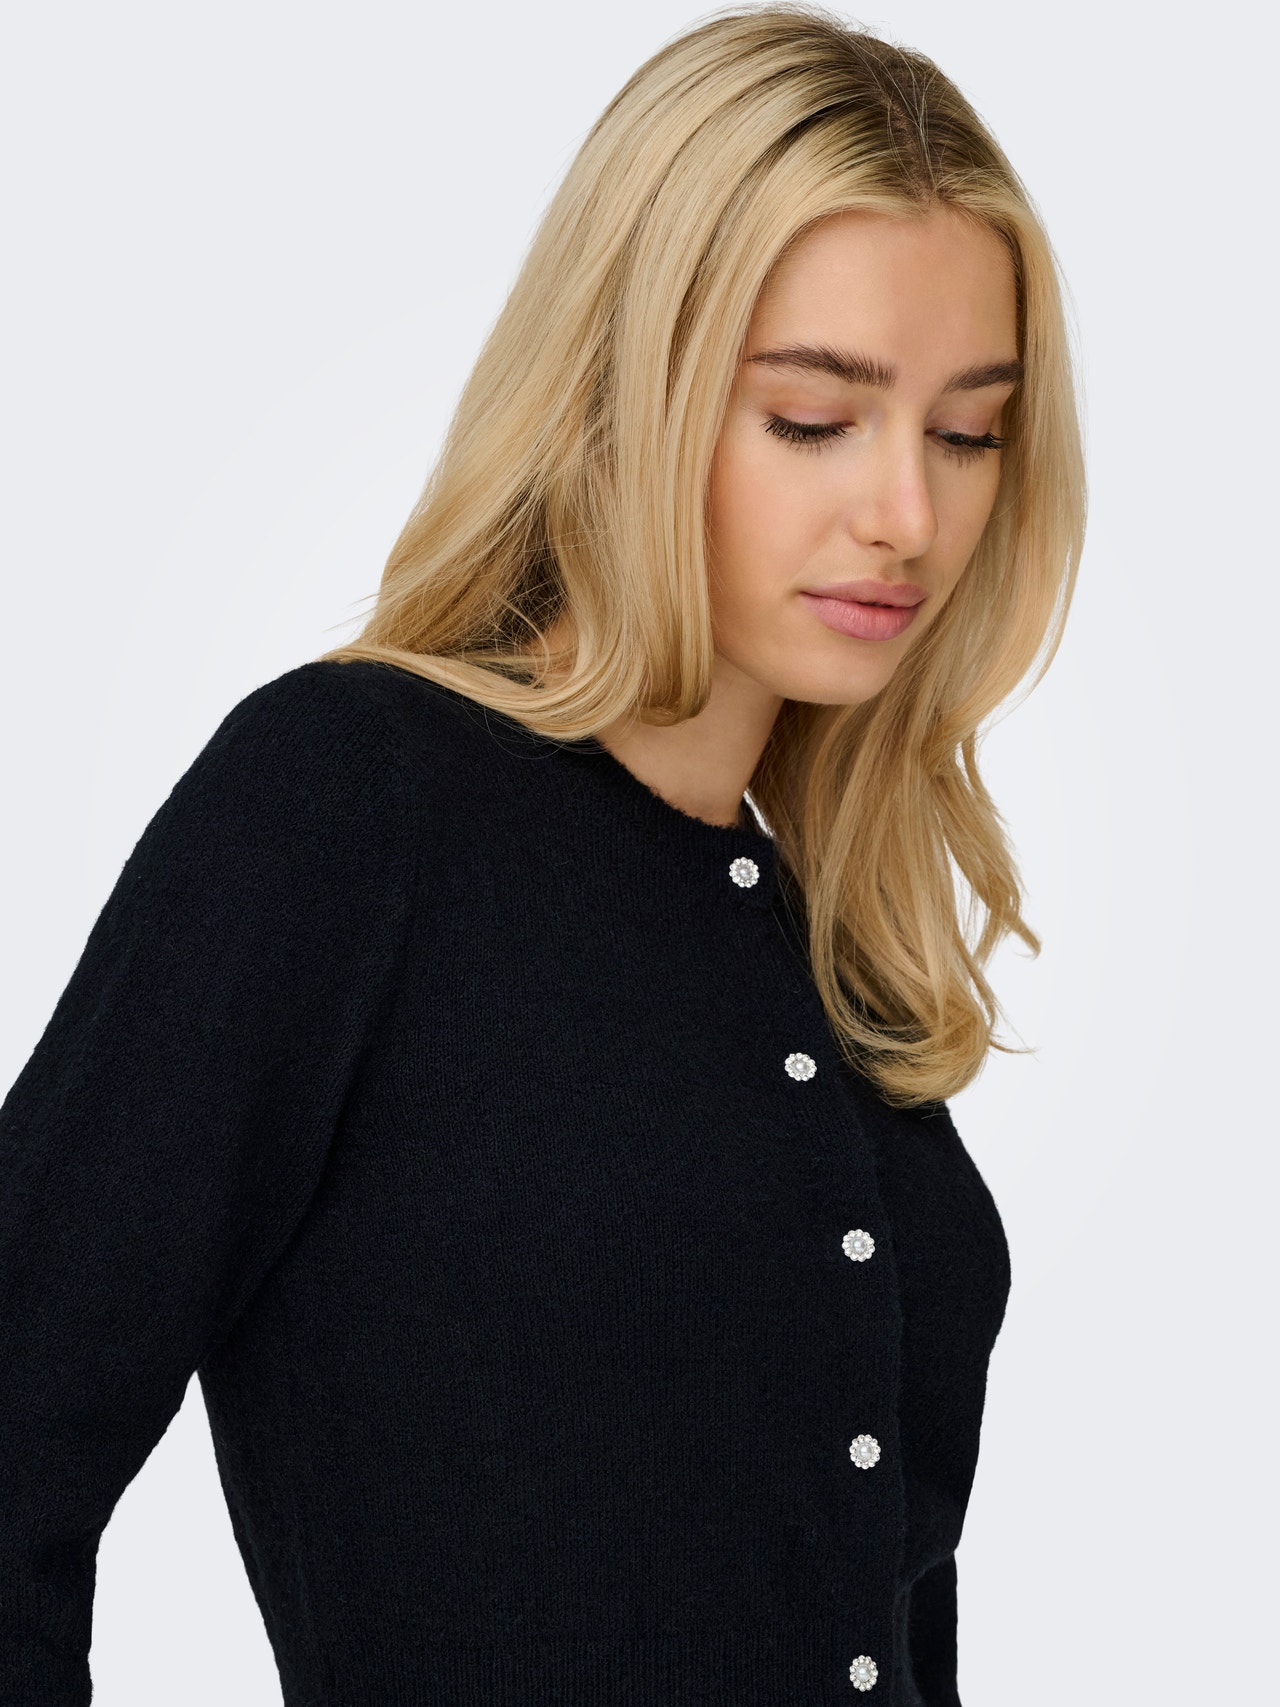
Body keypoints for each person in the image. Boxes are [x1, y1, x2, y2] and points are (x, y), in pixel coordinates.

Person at [0, 5, 1085, 1702]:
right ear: (620, 393)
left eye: (968, 433)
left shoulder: (825, 928)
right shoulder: (347, 801)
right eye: (815, 417)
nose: (910, 516)